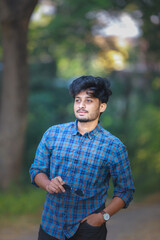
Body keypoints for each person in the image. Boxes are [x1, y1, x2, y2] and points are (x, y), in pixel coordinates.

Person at [29, 75, 135, 240]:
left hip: (88, 230)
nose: (81, 105)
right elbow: (36, 170)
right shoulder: (53, 134)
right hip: (51, 225)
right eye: (78, 100)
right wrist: (48, 184)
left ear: (102, 106)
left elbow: (125, 191)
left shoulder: (114, 147)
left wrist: (102, 217)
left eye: (89, 100)